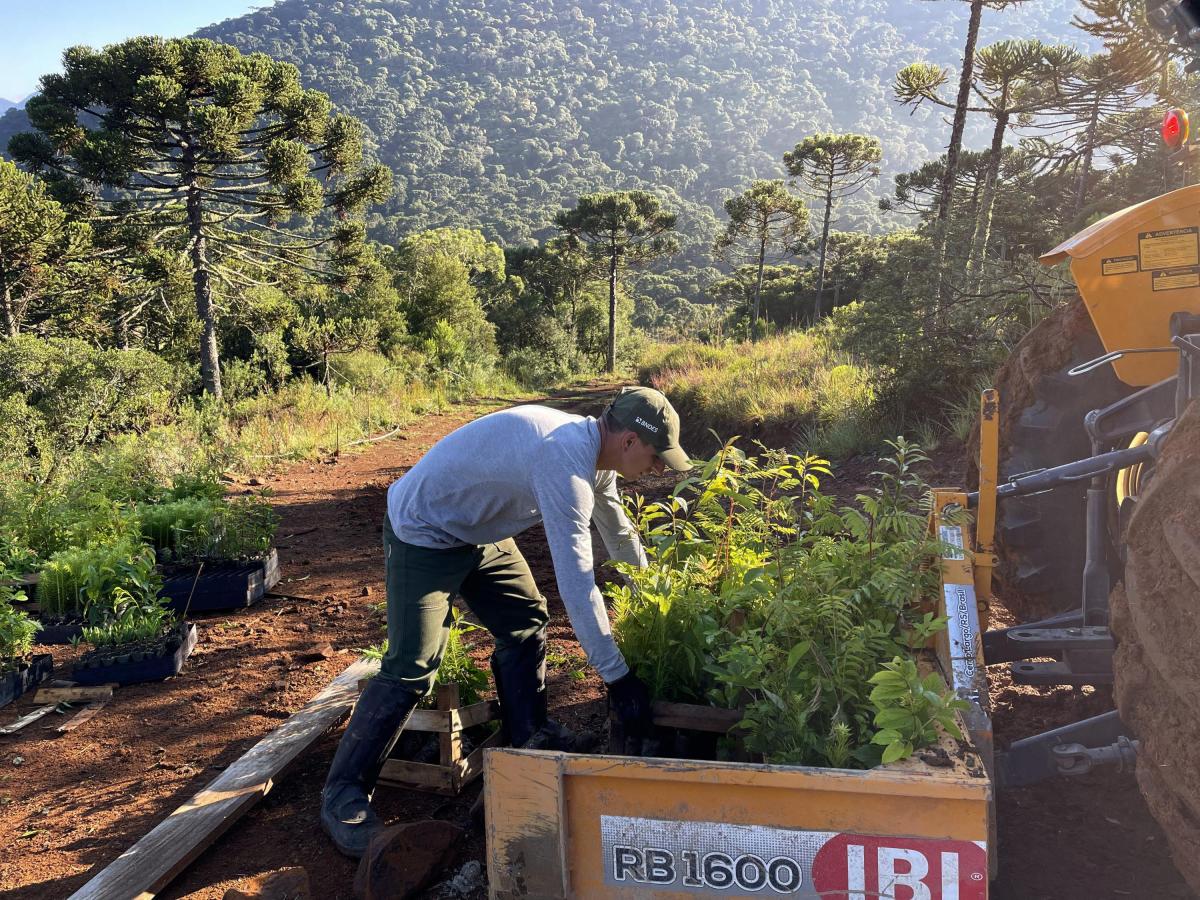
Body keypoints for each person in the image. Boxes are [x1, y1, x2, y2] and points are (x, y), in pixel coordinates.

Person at [320, 385, 692, 856]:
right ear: (631, 442)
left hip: (477, 529)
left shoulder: (598, 457)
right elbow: (577, 583)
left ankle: (529, 733)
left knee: (524, 618)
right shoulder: (565, 463)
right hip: (426, 528)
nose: (658, 469)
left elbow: (618, 533)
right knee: (413, 666)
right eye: (659, 457)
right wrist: (617, 678)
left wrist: (658, 597)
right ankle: (343, 795)